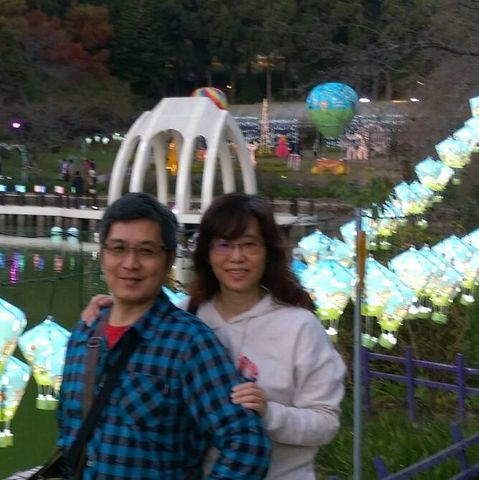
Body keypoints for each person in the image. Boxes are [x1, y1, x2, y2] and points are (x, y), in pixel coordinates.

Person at [84, 192, 346, 480]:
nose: (236, 257)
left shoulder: (299, 327)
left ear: (268, 251)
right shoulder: (187, 315)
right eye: (223, 245)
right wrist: (115, 307)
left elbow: (326, 422)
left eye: (249, 244)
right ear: (207, 253)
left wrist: (269, 413)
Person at [59, 192, 271, 479]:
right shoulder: (83, 335)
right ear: (103, 253)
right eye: (118, 248)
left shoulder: (189, 343)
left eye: (146, 251)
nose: (130, 263)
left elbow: (247, 444)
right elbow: (69, 435)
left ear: (169, 258)